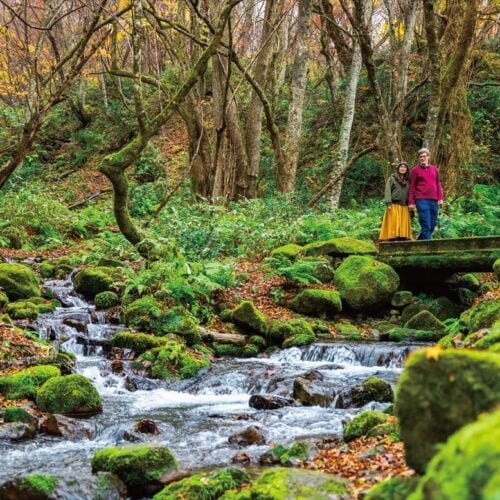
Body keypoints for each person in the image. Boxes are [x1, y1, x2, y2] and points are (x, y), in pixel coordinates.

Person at [408, 148, 444, 240]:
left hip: (434, 200)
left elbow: (438, 183)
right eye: (420, 157)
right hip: (421, 200)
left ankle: (420, 241)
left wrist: (440, 198)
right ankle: (429, 248)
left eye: (424, 156)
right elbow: (412, 186)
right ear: (419, 158)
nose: (422, 158)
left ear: (428, 157)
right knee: (426, 224)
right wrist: (411, 202)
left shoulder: (434, 169)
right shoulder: (415, 170)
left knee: (432, 224)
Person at [379, 161, 412, 241]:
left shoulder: (408, 181)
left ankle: (402, 236)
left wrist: (411, 203)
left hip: (404, 205)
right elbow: (387, 190)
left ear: (407, 170)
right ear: (398, 168)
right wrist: (388, 202)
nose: (402, 169)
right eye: (401, 167)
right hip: (394, 204)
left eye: (404, 167)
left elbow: (411, 192)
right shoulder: (392, 178)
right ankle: (392, 237)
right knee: (393, 223)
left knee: (403, 223)